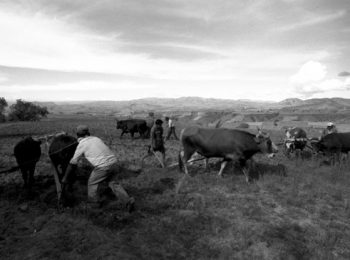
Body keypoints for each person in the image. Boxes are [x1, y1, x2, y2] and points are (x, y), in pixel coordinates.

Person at [62, 125, 135, 211]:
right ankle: (127, 201)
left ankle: (94, 205)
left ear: (77, 135)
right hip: (114, 163)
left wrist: (65, 178)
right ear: (88, 133)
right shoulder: (96, 138)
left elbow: (72, 163)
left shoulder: (82, 144)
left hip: (103, 167)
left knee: (92, 183)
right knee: (113, 183)